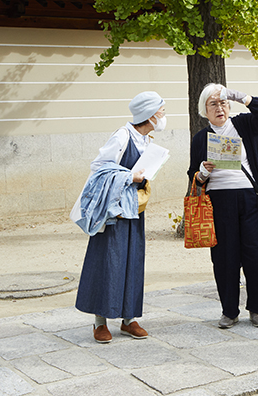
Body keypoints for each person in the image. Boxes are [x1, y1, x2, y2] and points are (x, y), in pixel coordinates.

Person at [75, 91, 166, 343]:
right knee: (107, 259)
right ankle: (100, 321)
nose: (163, 115)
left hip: (134, 210)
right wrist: (129, 177)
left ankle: (129, 319)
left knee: (133, 260)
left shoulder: (147, 140)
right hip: (113, 209)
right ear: (149, 114)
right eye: (161, 111)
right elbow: (99, 168)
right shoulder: (122, 136)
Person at [188, 83, 258, 329]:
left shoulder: (244, 125)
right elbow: (193, 174)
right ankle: (229, 310)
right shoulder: (200, 138)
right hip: (219, 201)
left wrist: (238, 96)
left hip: (249, 197)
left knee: (257, 254)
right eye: (213, 104)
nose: (220, 108)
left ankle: (257, 309)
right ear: (204, 109)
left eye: (223, 102)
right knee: (225, 257)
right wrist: (202, 173)